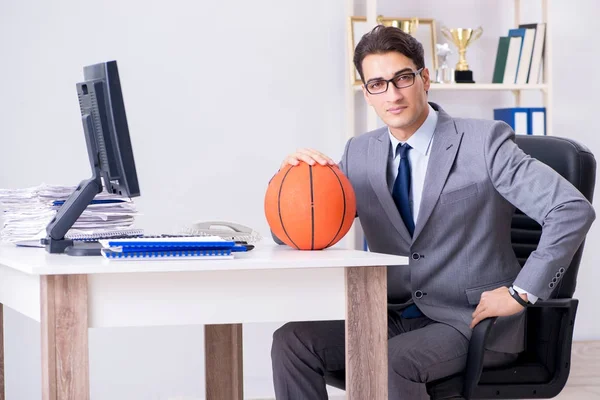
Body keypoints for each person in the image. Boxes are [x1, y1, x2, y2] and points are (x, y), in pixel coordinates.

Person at [270, 25, 596, 400]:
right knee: (292, 341)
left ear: (425, 79)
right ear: (367, 94)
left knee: (388, 361)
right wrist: (294, 178)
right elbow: (299, 231)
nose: (392, 94)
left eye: (402, 78)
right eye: (378, 84)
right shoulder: (360, 154)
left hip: (471, 320)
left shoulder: (484, 142)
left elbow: (571, 209)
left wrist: (521, 292)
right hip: (392, 315)